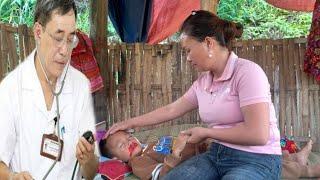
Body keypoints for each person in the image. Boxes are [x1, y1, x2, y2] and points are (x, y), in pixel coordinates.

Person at [107, 10, 282, 179]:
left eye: (188, 50)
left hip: (257, 159)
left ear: (208, 43)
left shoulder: (247, 72)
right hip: (216, 155)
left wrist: (208, 133)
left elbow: (258, 134)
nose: (188, 58)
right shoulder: (203, 83)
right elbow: (171, 110)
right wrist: (128, 123)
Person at [0, 0, 98, 179]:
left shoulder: (81, 85)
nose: (65, 50)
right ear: (38, 32)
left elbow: (91, 173)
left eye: (70, 40)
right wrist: (13, 177)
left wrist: (89, 158)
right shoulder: (10, 90)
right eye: (58, 38)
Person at [99, 130, 208, 179]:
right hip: (198, 163)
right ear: (116, 159)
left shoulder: (149, 146)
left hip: (202, 148)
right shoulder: (137, 161)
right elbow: (163, 176)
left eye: (130, 137)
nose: (129, 142)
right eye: (122, 145)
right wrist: (175, 154)